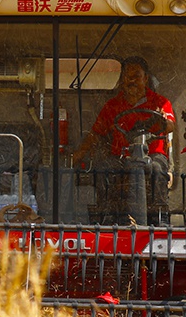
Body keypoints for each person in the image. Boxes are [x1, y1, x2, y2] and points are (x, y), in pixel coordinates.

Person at [70, 56, 176, 224]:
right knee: (102, 168)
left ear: (145, 78)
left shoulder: (160, 102)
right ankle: (106, 216)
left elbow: (170, 125)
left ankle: (160, 218)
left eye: (137, 76)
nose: (132, 80)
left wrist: (162, 121)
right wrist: (79, 154)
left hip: (152, 156)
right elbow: (96, 133)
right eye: (128, 76)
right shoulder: (112, 106)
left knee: (157, 169)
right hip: (122, 157)